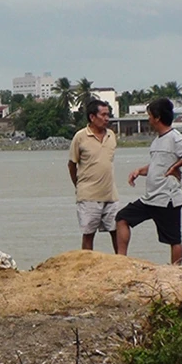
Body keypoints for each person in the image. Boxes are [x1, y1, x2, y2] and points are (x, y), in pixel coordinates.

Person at [116, 98, 182, 265]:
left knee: (174, 239)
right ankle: (121, 261)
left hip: (167, 199)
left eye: (149, 115)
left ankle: (176, 271)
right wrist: (139, 171)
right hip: (151, 198)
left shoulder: (174, 137)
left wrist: (177, 166)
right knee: (122, 218)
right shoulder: (157, 141)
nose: (148, 118)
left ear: (157, 117)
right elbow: (158, 165)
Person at [68, 99, 119, 252]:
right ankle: (87, 265)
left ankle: (121, 262)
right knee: (88, 234)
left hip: (111, 194)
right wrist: (78, 186)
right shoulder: (80, 137)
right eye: (103, 115)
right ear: (92, 117)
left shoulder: (111, 135)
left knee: (117, 230)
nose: (107, 118)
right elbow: (72, 164)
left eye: (108, 115)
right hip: (88, 195)